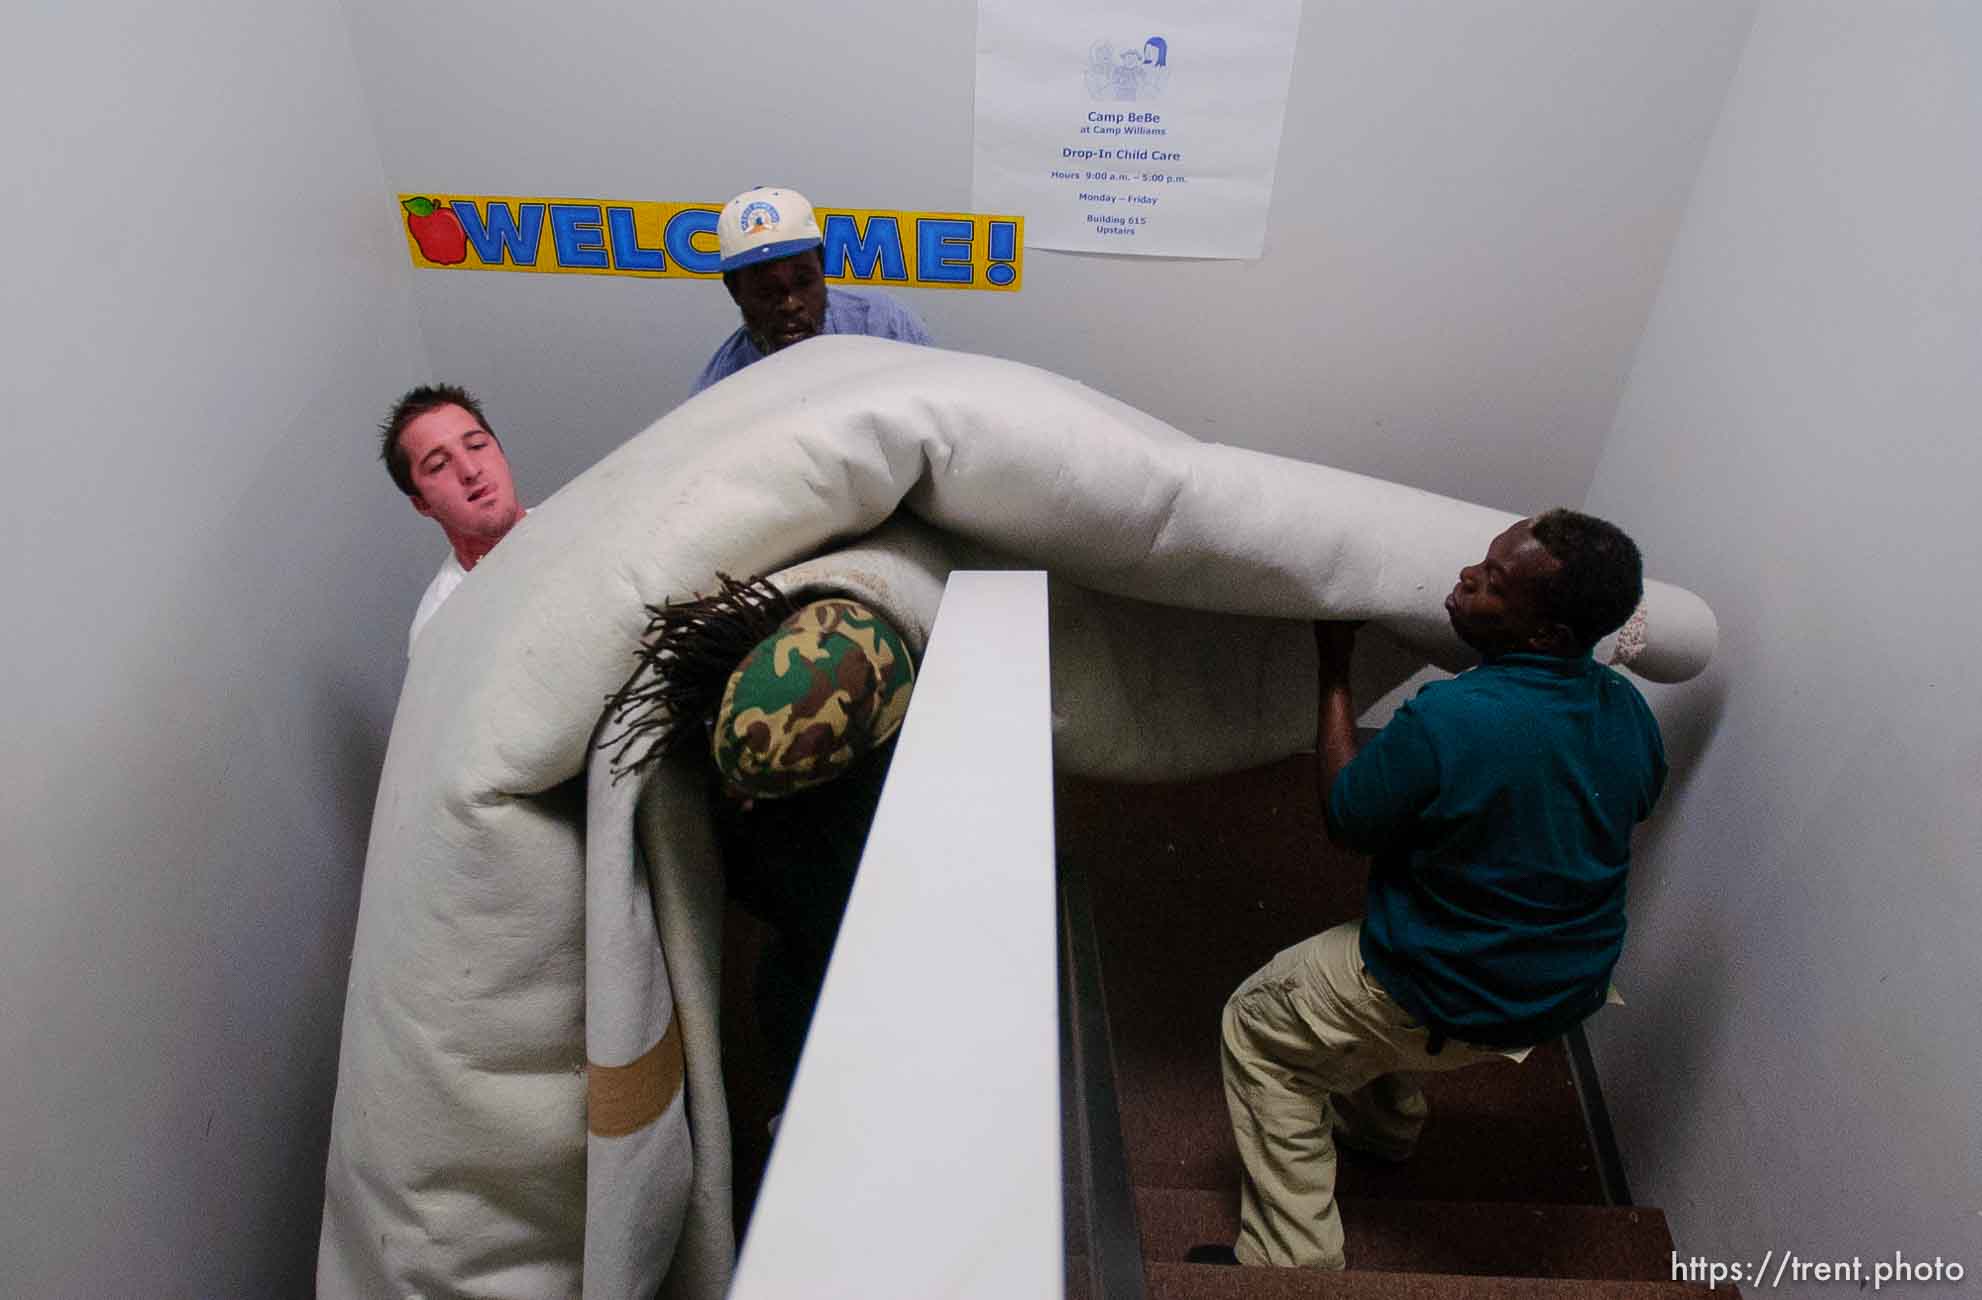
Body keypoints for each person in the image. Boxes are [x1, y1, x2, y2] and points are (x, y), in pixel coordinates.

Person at [1210, 509, 1666, 1271]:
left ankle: (1292, 1267)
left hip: (1453, 990)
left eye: (1491, 583)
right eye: (1479, 563)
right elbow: (1632, 799)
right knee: (1369, 976)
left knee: (1261, 1027)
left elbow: (1346, 818)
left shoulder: (1453, 716)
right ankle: (1383, 1132)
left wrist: (1332, 671)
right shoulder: (1627, 711)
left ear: (1548, 635)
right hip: (1563, 989)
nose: (1464, 578)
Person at [692, 186, 932, 394]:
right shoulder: (720, 390)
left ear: (822, 268)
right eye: (767, 291)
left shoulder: (882, 326)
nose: (790, 304)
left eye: (804, 282)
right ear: (735, 291)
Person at [378, 384, 526, 652]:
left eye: (476, 445)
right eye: (438, 465)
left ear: (501, 453)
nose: (470, 470)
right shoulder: (437, 629)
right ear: (422, 504)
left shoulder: (584, 525)